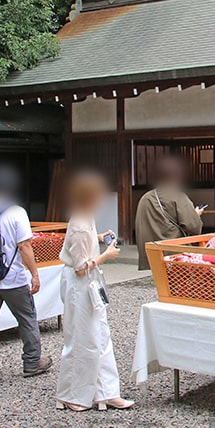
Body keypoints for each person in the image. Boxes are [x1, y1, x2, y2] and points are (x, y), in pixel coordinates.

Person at [0, 165, 53, 388]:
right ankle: (32, 362)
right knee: (27, 319)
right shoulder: (16, 212)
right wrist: (34, 274)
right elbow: (24, 246)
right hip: (11, 278)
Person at [56, 170, 134, 411]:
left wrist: (99, 237)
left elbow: (84, 243)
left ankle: (106, 391)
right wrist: (106, 255)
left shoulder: (85, 217)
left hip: (89, 283)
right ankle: (72, 394)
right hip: (80, 284)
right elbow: (80, 267)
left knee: (100, 336)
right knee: (82, 339)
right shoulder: (79, 222)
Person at [135, 155, 204, 270]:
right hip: (175, 254)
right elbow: (194, 227)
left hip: (153, 255)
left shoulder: (145, 198)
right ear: (176, 175)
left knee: (163, 286)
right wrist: (196, 214)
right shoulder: (178, 196)